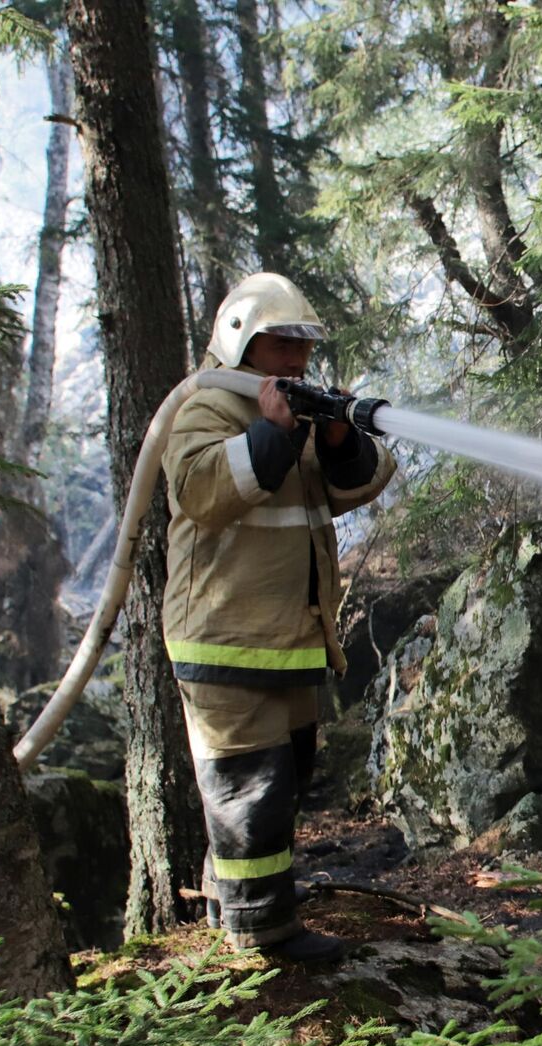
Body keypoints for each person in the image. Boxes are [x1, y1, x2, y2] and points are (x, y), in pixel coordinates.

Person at [161, 272, 395, 961]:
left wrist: (334, 440)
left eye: (301, 345)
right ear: (242, 344)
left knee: (280, 785)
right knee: (249, 792)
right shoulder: (205, 409)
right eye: (279, 344)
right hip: (227, 642)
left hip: (288, 643)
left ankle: (232, 905)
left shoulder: (294, 415)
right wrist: (273, 433)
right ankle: (263, 939)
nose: (295, 360)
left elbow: (363, 481)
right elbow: (205, 489)